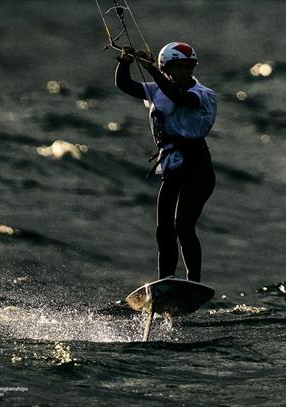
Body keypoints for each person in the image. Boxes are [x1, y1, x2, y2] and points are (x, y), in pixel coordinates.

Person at [114, 42, 217, 282]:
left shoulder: (203, 94)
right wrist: (125, 63)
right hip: (172, 167)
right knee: (164, 230)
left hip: (198, 168)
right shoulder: (157, 89)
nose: (184, 72)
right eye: (178, 67)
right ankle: (166, 280)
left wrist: (152, 70)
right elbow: (125, 85)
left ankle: (193, 282)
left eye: (188, 67)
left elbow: (180, 99)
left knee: (184, 227)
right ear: (166, 68)